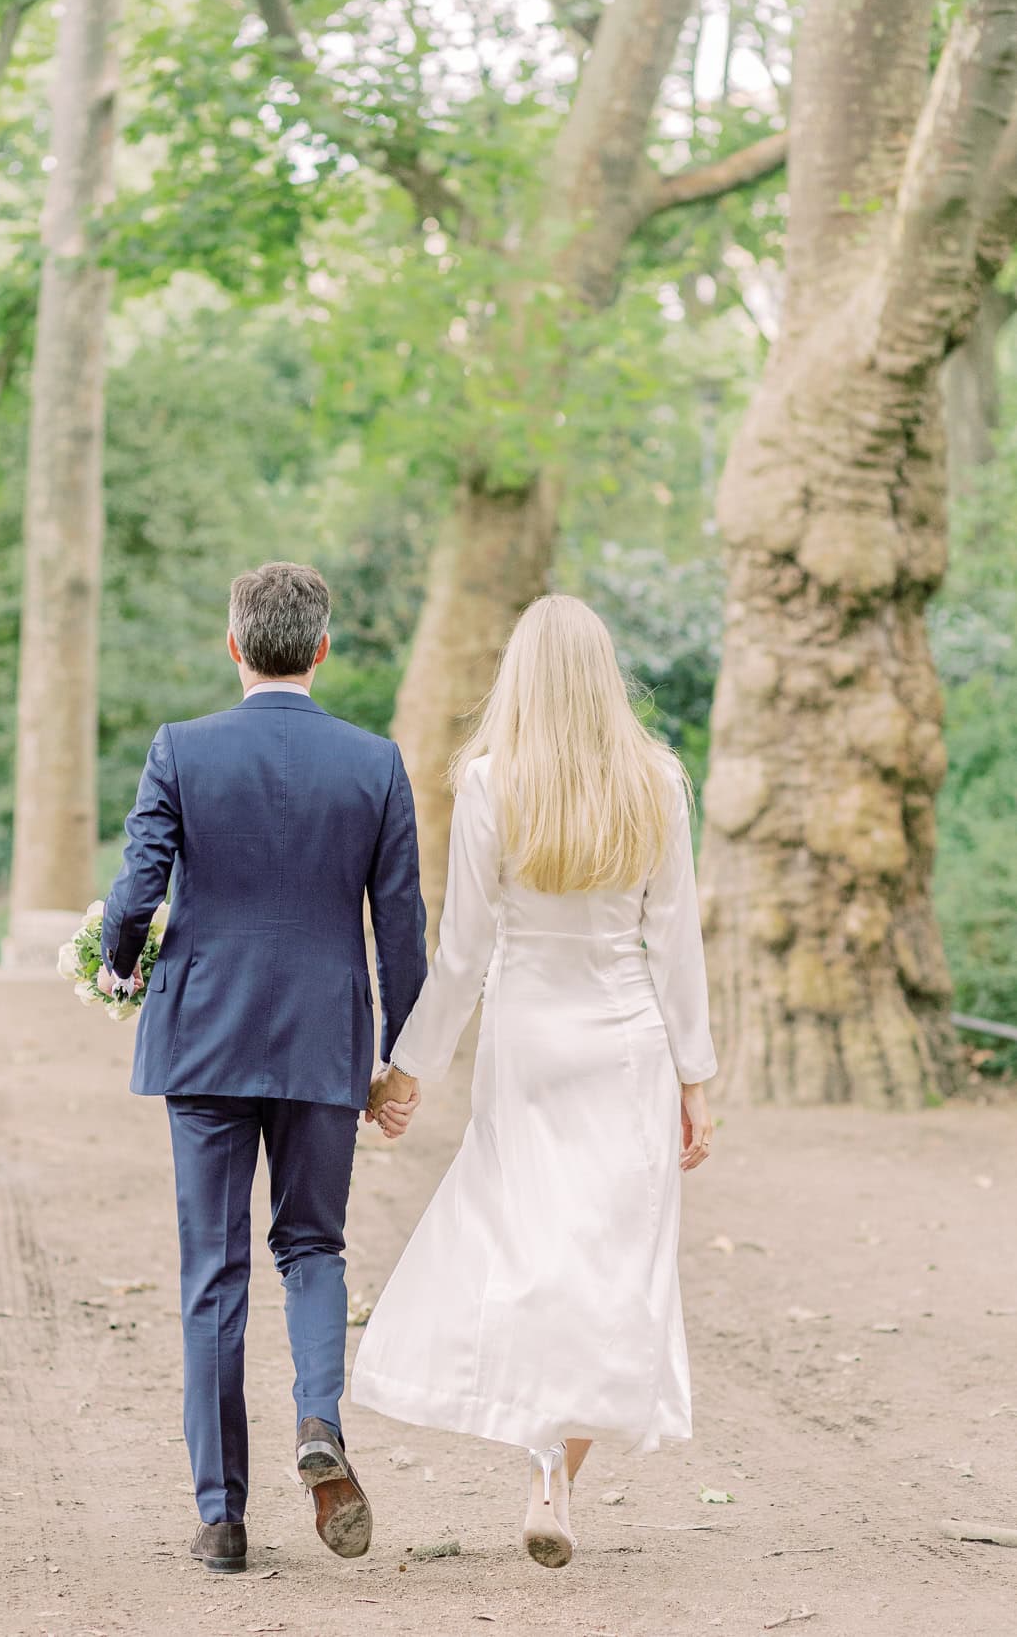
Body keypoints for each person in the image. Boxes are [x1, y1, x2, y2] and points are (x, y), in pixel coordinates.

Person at [353, 593, 716, 1569]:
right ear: (606, 679)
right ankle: (553, 1472)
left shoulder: (490, 782)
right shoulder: (659, 782)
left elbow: (462, 953)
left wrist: (408, 1068)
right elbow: (673, 943)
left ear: (520, 675)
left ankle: (544, 1455)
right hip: (628, 1044)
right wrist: (696, 1076)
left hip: (529, 1045)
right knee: (605, 1257)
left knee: (530, 1243)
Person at [98, 562, 426, 1574]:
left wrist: (115, 965)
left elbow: (138, 891)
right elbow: (404, 930)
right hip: (322, 1041)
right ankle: (318, 1418)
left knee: (214, 1272)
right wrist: (395, 1058)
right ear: (323, 649)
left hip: (205, 1038)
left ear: (231, 645)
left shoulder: (182, 751)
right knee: (313, 1247)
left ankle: (221, 1519)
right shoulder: (375, 763)